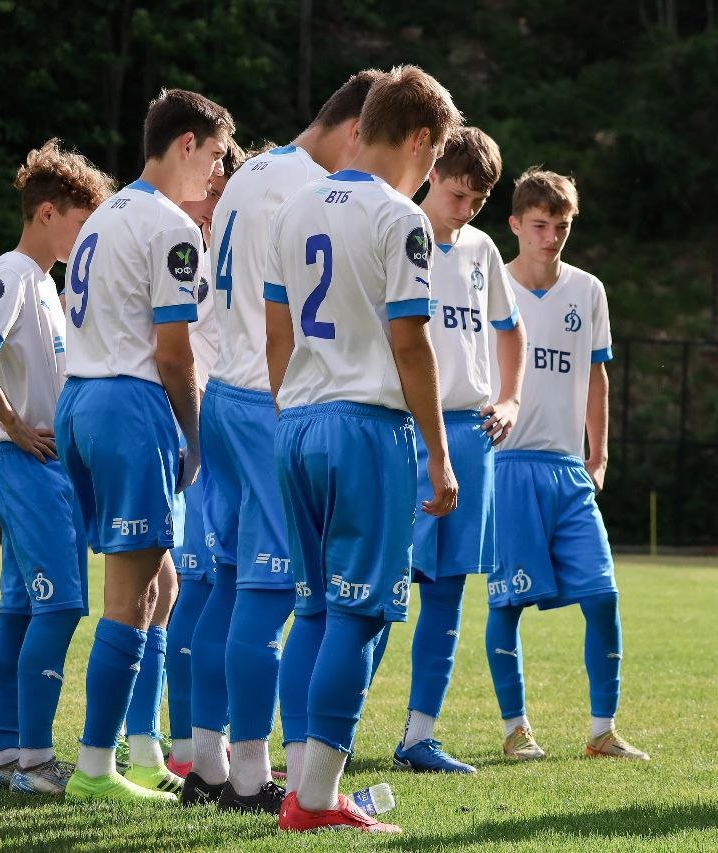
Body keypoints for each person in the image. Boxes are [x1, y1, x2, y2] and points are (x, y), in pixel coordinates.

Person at [265, 64, 462, 833]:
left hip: (298, 421)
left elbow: (277, 336)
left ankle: (300, 787)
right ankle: (316, 801)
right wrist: (439, 455)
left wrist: (297, 412)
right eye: (437, 155)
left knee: (312, 608)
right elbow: (410, 343)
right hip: (366, 428)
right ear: (421, 139)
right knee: (359, 615)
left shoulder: (294, 205)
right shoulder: (398, 218)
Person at [183, 70, 383, 812]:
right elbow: (294, 311)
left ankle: (208, 762)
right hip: (269, 397)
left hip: (227, 395)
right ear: (358, 128)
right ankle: (258, 778)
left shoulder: (250, 172)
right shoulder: (304, 187)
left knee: (231, 586)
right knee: (276, 596)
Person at [54, 87, 234, 803]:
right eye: (216, 156)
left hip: (82, 399)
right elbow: (173, 353)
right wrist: (195, 435)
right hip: (129, 405)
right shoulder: (170, 227)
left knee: (162, 585)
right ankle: (95, 769)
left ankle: (146, 750)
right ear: (186, 143)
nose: (217, 173)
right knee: (131, 597)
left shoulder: (107, 215)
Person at [0, 139, 113, 795]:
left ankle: (1, 754)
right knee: (63, 605)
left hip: (34, 466)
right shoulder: (15, 272)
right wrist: (13, 420)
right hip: (23, 463)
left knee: (21, 609)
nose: (85, 234)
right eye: (80, 219)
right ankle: (37, 761)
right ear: (47, 212)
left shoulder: (45, 282)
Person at [370, 127, 527, 774]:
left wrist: (511, 398)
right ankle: (331, 731)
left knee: (448, 590)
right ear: (432, 172)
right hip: (403, 432)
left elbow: (510, 330)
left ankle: (418, 735)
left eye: (477, 202)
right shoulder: (394, 231)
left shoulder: (482, 249)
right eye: (458, 194)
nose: (464, 211)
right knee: (378, 589)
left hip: (469, 433)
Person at [484, 168, 649, 763]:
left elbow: (597, 375)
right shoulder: (490, 285)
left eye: (562, 226)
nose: (552, 237)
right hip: (506, 467)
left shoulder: (589, 291)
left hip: (567, 470)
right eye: (540, 225)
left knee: (602, 595)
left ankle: (602, 732)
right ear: (515, 226)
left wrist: (598, 453)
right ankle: (515, 729)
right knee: (507, 603)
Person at [111, 141, 245, 790]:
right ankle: (161, 742)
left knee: (189, 589)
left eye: (223, 193)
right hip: (179, 434)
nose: (210, 202)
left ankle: (184, 742)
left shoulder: (231, 258)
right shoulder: (172, 246)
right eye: (209, 187)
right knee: (169, 588)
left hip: (220, 433)